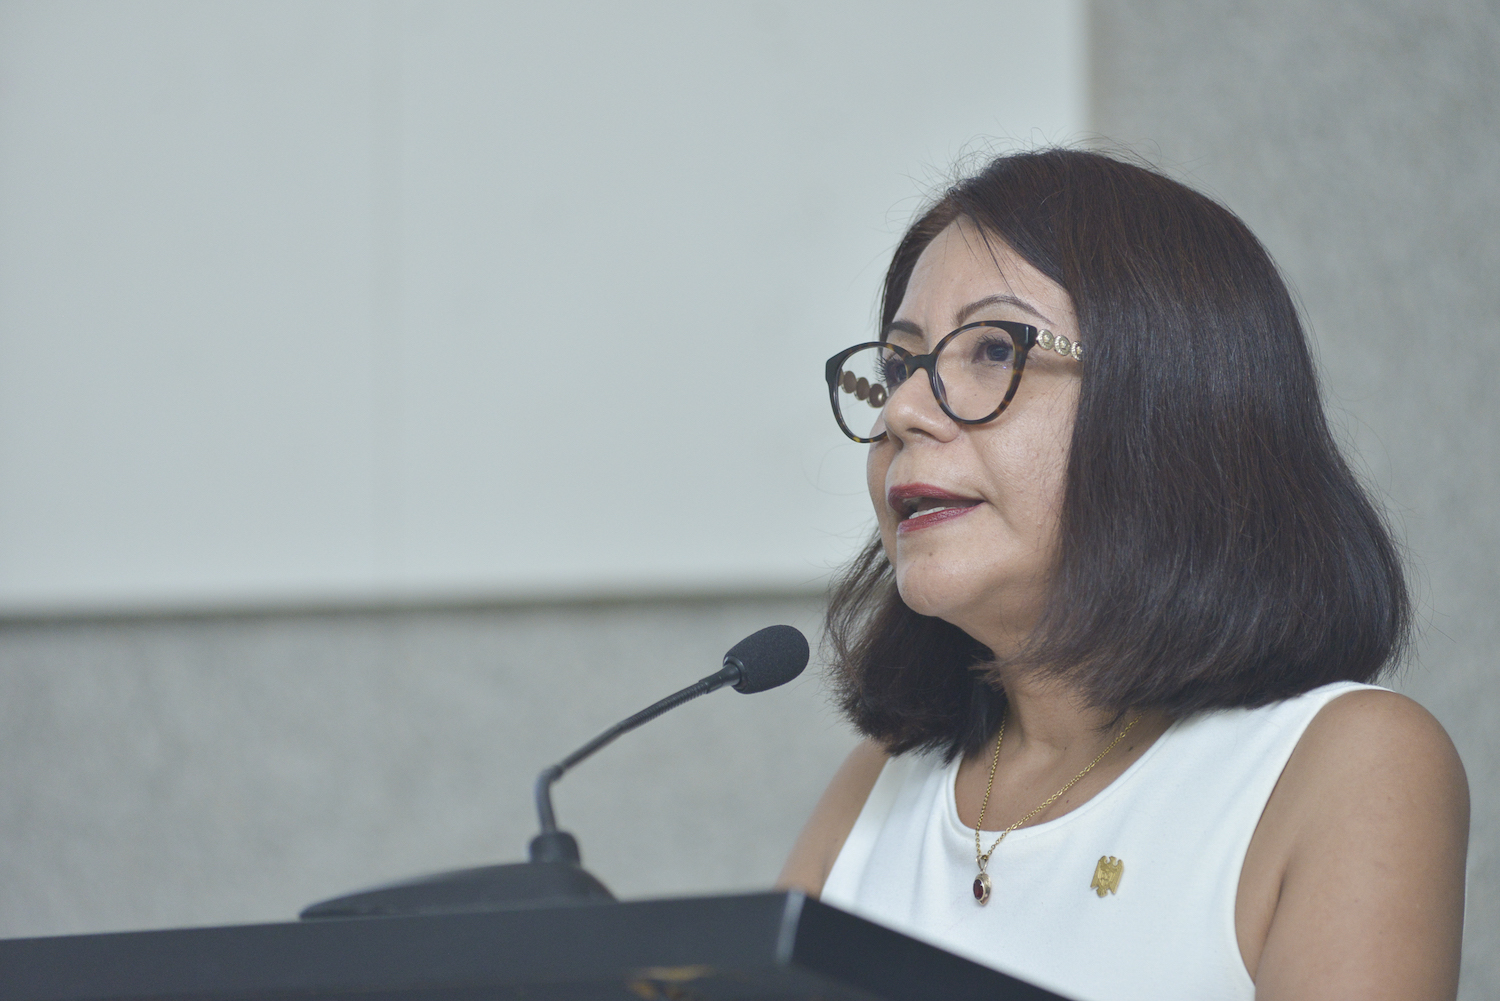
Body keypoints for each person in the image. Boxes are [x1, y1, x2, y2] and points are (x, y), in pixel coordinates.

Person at [779, 148, 1468, 1001]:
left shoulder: (1346, 762)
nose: (902, 410)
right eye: (896, 366)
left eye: (991, 348)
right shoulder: (881, 783)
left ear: (1172, 402)